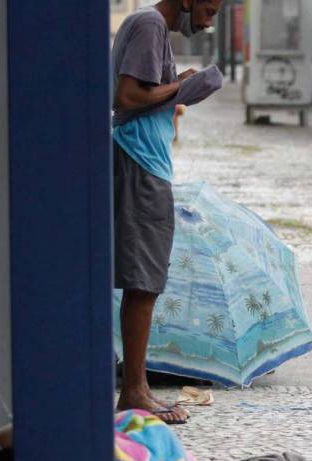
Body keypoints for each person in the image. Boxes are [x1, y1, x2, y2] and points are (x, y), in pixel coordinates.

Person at [112, 0, 223, 423]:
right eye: (208, 11)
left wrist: (178, 84)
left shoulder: (150, 26)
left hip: (145, 158)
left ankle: (136, 387)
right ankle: (135, 391)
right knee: (144, 278)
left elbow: (142, 91)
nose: (208, 22)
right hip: (139, 159)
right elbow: (127, 95)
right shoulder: (149, 24)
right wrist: (180, 89)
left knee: (147, 277)